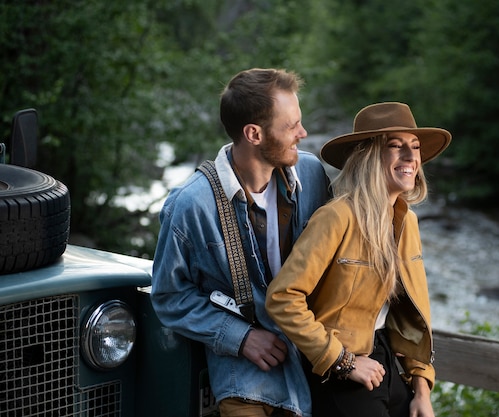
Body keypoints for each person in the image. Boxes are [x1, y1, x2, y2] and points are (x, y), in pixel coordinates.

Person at [150, 68, 331, 417]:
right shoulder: (191, 204)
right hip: (246, 378)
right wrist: (241, 337)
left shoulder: (312, 174)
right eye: (291, 126)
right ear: (254, 134)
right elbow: (169, 296)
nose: (303, 134)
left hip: (313, 359)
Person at [266, 102, 451, 417]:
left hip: (388, 362)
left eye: (415, 147)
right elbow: (283, 298)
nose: (411, 157)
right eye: (396, 146)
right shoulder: (336, 217)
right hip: (341, 373)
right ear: (369, 157)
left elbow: (413, 313)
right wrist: (342, 361)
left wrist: (421, 388)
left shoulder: (407, 223)